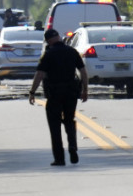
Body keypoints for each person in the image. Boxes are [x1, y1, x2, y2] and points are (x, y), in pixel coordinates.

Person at [28, 29, 89, 166]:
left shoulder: (48, 54)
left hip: (54, 93)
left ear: (48, 40)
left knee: (54, 126)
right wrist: (85, 90)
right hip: (71, 92)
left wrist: (32, 92)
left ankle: (59, 158)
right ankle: (72, 146)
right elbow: (83, 72)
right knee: (69, 120)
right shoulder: (72, 52)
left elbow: (39, 74)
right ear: (59, 37)